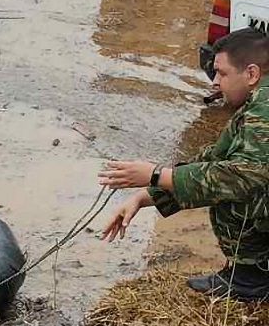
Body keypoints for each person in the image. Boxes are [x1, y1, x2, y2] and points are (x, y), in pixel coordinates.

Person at [100, 27, 269, 300]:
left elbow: (241, 177)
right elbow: (215, 157)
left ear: (251, 74)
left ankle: (251, 278)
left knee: (231, 191)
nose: (214, 82)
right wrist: (144, 196)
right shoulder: (257, 104)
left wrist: (155, 174)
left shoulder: (265, 107)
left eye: (222, 73)